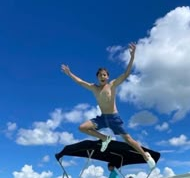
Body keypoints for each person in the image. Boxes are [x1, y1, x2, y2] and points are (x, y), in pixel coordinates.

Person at [61, 42, 156, 170]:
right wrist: (69, 73)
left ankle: (145, 156)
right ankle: (105, 138)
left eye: (104, 75)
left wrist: (132, 56)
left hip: (113, 117)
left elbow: (126, 74)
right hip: (102, 118)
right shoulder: (94, 88)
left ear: (108, 76)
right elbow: (80, 82)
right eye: (100, 75)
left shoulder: (112, 85)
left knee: (128, 139)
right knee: (82, 127)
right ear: (97, 77)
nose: (102, 76)